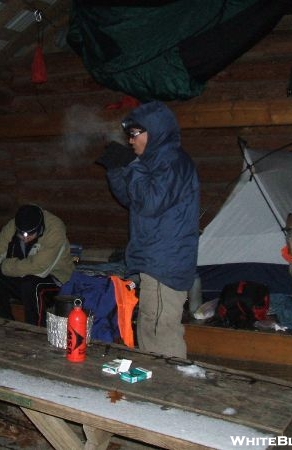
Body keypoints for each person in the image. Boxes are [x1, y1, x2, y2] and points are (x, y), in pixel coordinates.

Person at [96, 100, 200, 358]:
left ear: (154, 131)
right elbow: (133, 201)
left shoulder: (173, 161)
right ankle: (156, 388)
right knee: (148, 329)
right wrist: (117, 170)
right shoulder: (154, 162)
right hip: (152, 259)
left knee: (160, 334)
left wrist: (132, 166)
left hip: (165, 263)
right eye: (128, 136)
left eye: (134, 134)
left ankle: (172, 390)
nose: (130, 141)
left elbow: (151, 202)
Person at [0, 204, 74, 326]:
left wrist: (6, 266)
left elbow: (40, 268)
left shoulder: (54, 229)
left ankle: (36, 332)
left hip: (57, 281)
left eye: (30, 234)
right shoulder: (12, 226)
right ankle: (4, 325)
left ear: (39, 228)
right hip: (23, 274)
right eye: (22, 234)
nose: (26, 238)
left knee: (31, 286)